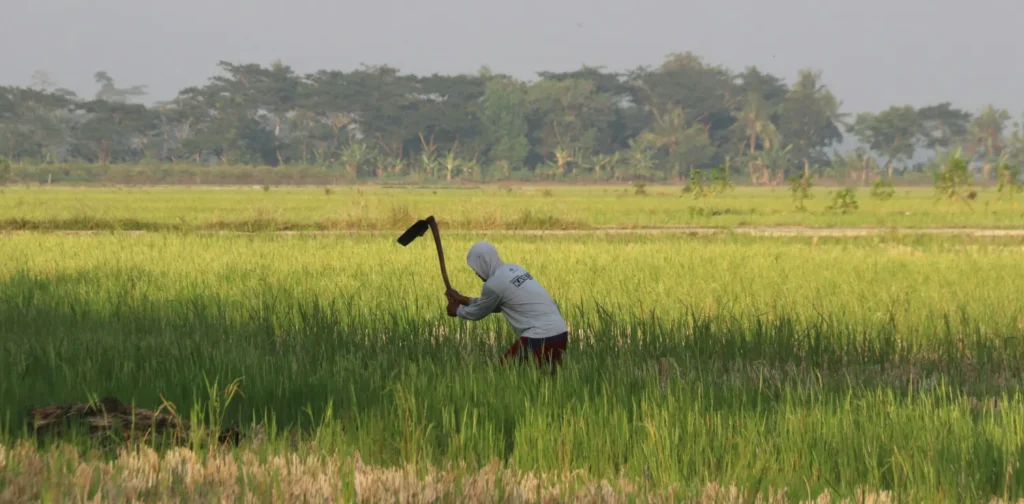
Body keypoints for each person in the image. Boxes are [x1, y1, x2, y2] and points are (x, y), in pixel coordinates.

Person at [445, 241, 568, 371]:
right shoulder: (514, 269)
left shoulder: (493, 284)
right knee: (546, 381)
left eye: (476, 268)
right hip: (560, 332)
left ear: (483, 263)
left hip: (538, 335)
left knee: (503, 373)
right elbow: (495, 305)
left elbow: (479, 312)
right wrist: (462, 299)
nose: (476, 273)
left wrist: (457, 310)